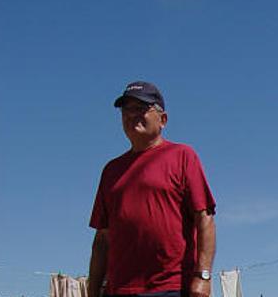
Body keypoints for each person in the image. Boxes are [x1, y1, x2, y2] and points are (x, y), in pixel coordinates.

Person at [88, 81, 216, 297]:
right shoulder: (111, 170)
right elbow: (102, 238)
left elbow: (205, 218)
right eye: (126, 110)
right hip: (119, 289)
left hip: (171, 287)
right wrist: (92, 291)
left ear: (163, 119)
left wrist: (203, 276)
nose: (131, 115)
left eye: (140, 108)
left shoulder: (182, 156)